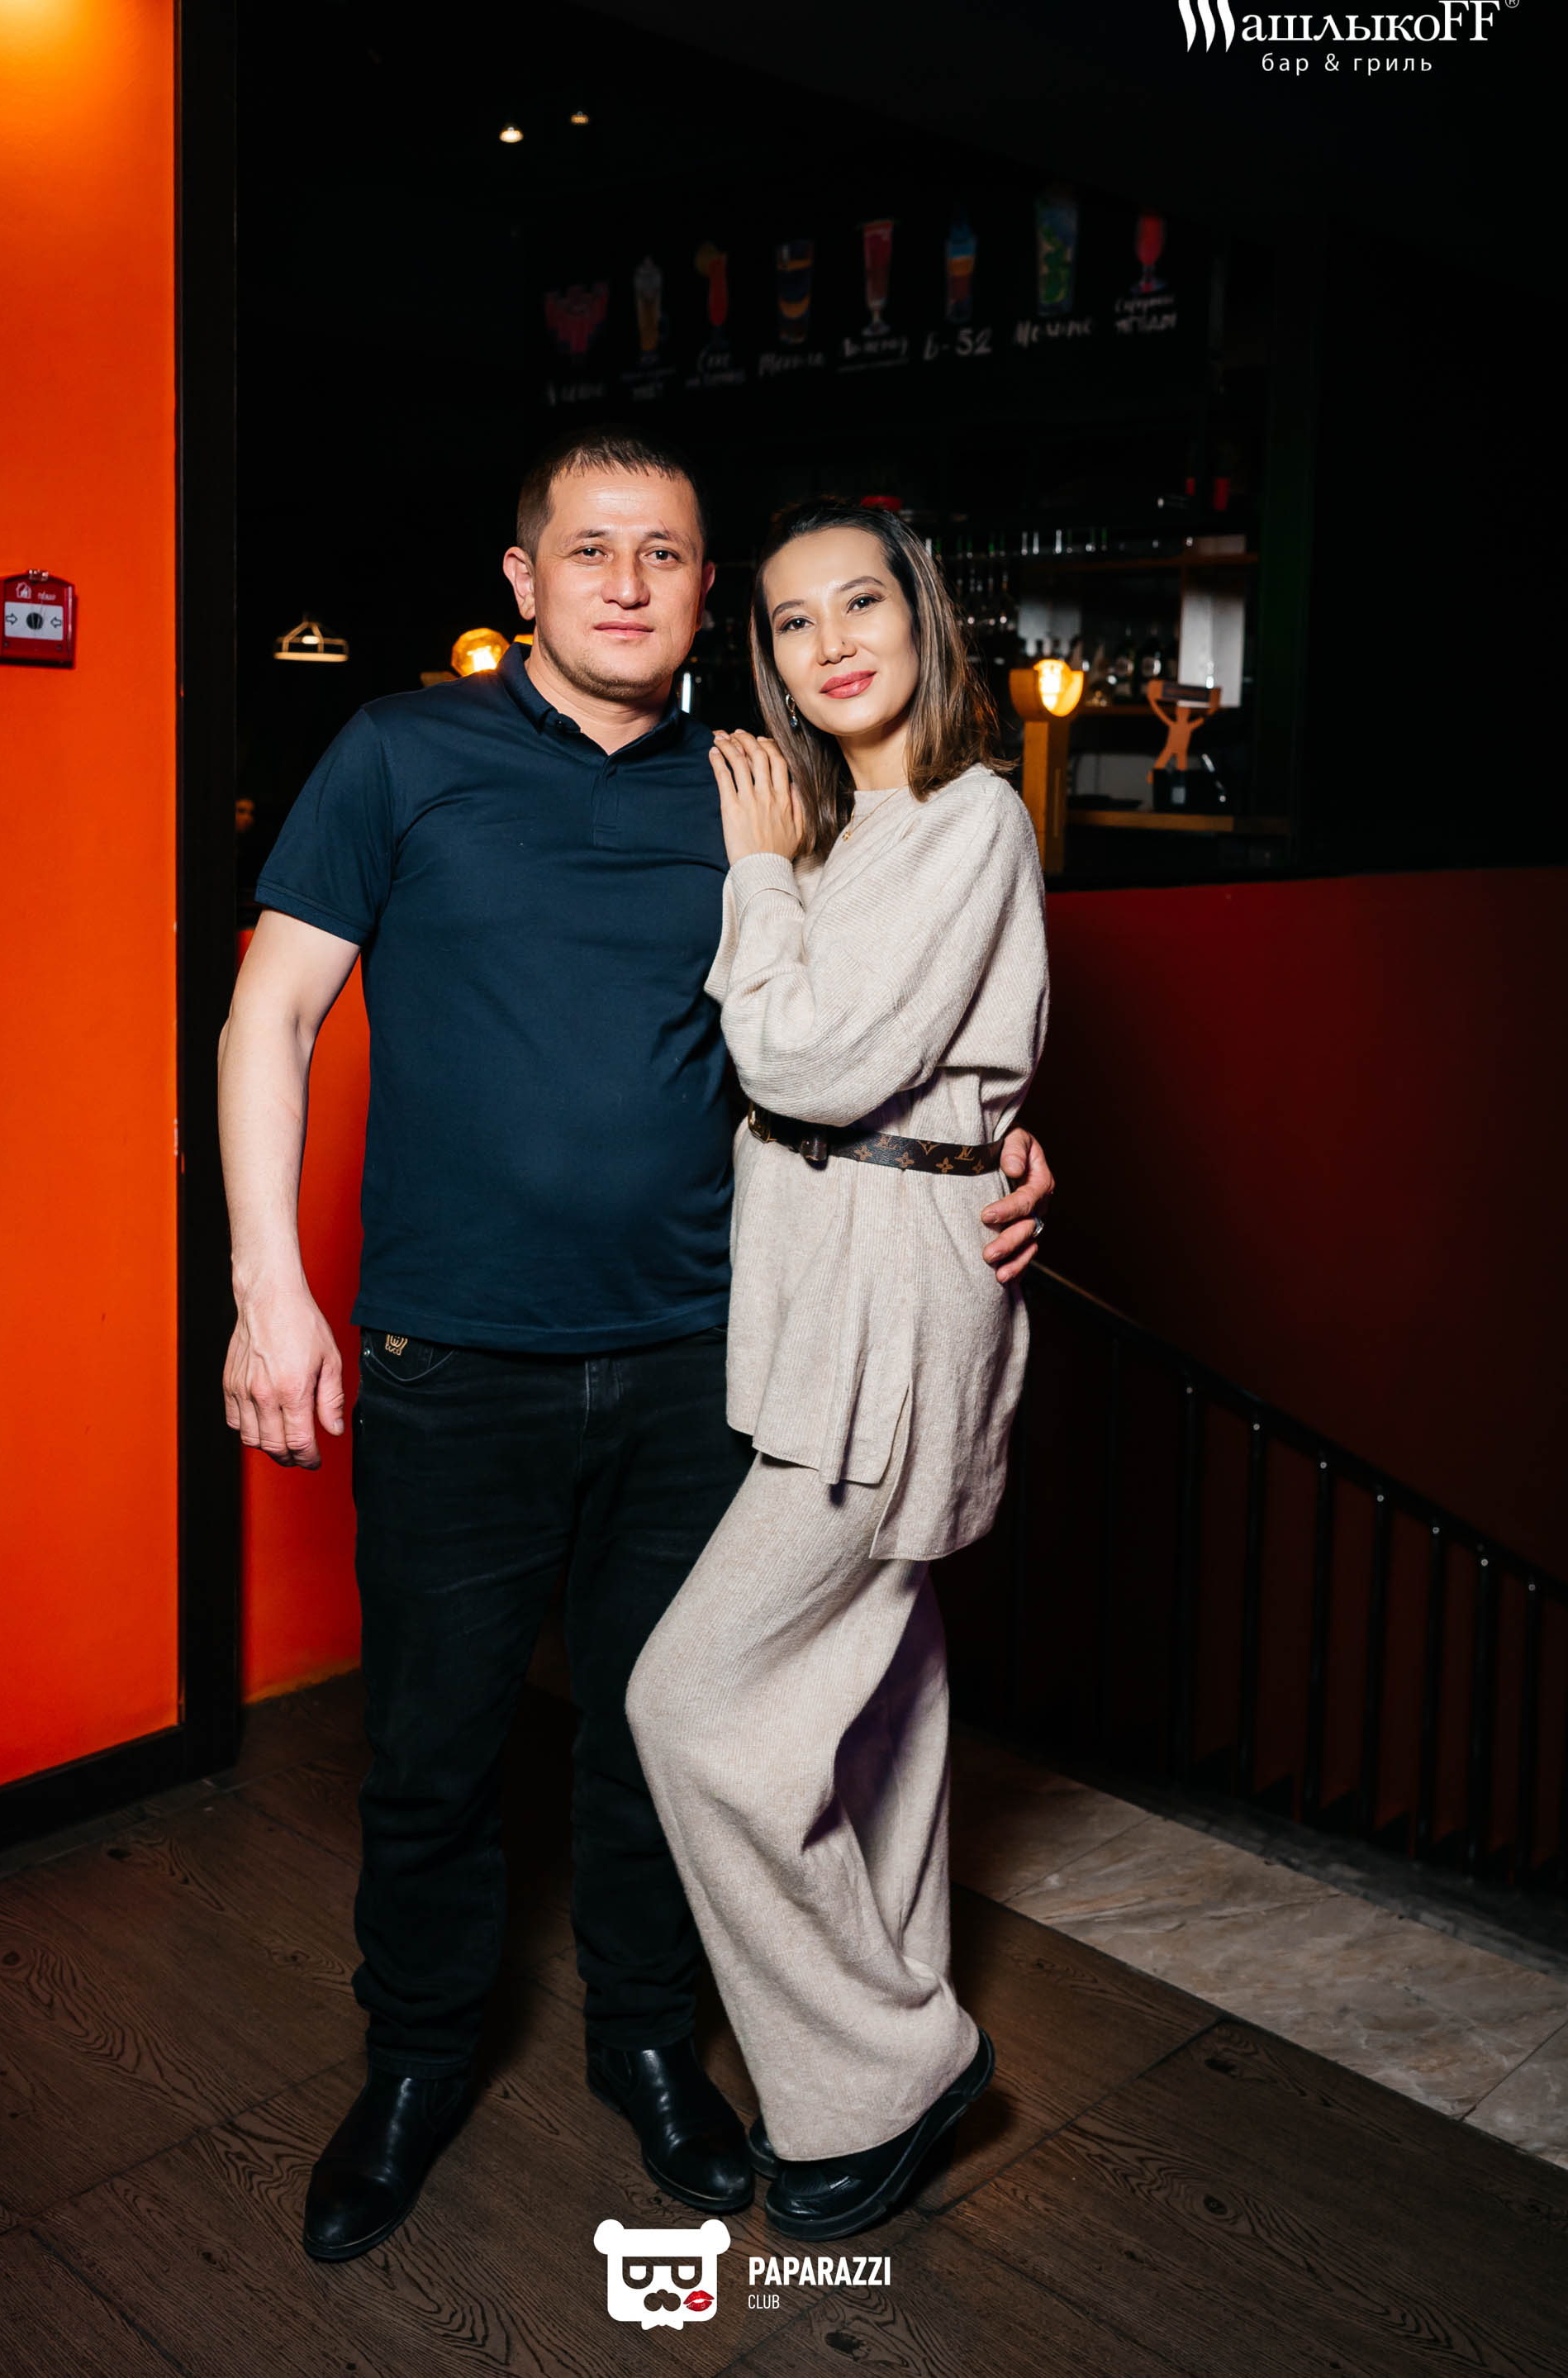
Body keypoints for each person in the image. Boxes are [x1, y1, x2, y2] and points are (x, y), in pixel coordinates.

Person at [216, 430, 1054, 2265]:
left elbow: (881, 996)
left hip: (704, 1355)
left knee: (650, 1731)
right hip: (452, 1351)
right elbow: (269, 1014)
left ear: (701, 594)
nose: (624, 582)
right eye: (588, 550)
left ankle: (650, 2045)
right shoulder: (398, 752)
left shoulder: (766, 786)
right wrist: (269, 1286)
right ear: (523, 578)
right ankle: (416, 2063)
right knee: (433, 1748)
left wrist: (990, 1141)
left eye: (663, 553)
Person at [627, 498, 1048, 2242]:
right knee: (880, 1697)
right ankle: (900, 1985)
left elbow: (810, 1062)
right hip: (834, 1292)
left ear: (920, 617)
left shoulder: (968, 814)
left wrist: (754, 877)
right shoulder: (856, 828)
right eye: (792, 623)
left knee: (688, 1702)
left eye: (859, 602)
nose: (830, 643)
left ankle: (885, 2069)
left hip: (892, 1307)